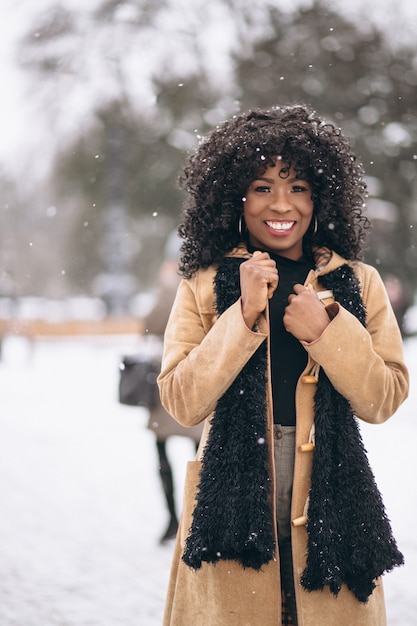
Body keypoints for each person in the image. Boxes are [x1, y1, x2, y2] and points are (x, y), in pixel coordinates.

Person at [157, 105, 409, 626]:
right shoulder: (204, 283)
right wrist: (243, 314)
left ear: (320, 197)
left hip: (331, 490)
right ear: (236, 197)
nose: (281, 204)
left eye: (297, 188)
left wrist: (327, 331)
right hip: (231, 492)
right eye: (262, 186)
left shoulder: (358, 283)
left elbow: (383, 398)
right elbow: (182, 402)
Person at [143, 234, 203, 544]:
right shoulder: (204, 282)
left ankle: (172, 518)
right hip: (196, 383)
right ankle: (194, 520)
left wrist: (165, 286)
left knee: (164, 453)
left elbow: (150, 324)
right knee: (200, 457)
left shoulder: (176, 287)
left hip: (171, 384)